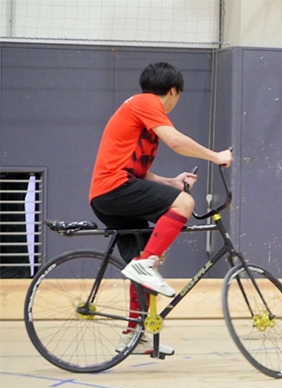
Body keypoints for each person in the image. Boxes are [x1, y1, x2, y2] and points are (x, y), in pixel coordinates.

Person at [89, 62, 233, 354]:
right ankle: (146, 265)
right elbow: (177, 142)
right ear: (173, 91)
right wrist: (215, 156)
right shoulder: (147, 102)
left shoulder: (139, 109)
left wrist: (171, 181)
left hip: (110, 194)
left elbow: (137, 171)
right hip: (115, 190)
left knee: (142, 264)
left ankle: (135, 333)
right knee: (185, 203)